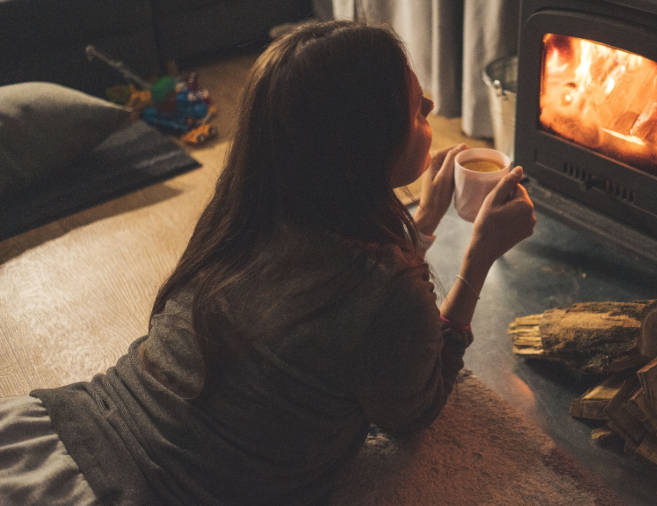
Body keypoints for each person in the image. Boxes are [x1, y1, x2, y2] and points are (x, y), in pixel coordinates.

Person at [0, 19, 535, 505]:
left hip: (65, 430)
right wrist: (478, 259)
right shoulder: (386, 294)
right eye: (416, 106)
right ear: (362, 145)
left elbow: (328, 304)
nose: (433, 106)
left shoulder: (245, 214)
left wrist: (420, 227)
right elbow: (414, 412)